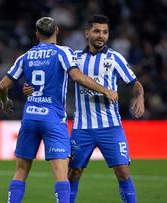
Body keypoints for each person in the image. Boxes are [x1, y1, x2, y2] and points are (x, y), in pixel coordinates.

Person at [0, 16, 118, 203]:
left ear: (37, 34)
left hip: (30, 117)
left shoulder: (25, 56)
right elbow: (76, 76)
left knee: (20, 171)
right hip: (53, 118)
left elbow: (2, 86)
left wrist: (5, 102)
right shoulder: (63, 52)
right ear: (57, 31)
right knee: (61, 176)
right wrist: (105, 90)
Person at [68, 15, 144, 203]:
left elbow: (135, 83)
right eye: (96, 31)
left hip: (111, 127)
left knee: (123, 171)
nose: (101, 35)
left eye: (105, 32)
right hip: (82, 128)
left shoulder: (115, 58)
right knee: (73, 173)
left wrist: (140, 96)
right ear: (87, 33)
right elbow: (54, 76)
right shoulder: (75, 58)